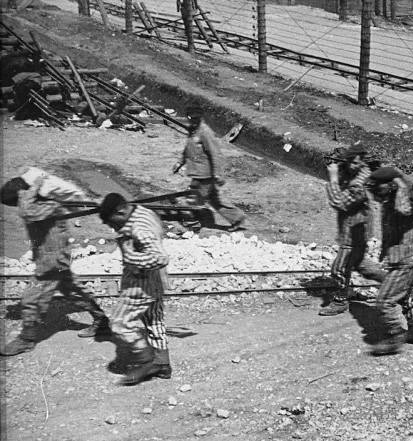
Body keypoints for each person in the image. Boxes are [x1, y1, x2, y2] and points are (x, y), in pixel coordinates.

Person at [0, 167, 110, 357]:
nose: (18, 202)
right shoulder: (38, 204)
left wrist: (33, 186)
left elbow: (28, 213)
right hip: (52, 259)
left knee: (30, 299)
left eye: (18, 198)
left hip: (51, 263)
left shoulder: (49, 206)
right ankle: (102, 321)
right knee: (76, 292)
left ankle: (26, 339)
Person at [99, 193, 172, 386]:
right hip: (155, 280)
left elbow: (160, 258)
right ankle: (163, 364)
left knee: (119, 323)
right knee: (154, 320)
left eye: (112, 222)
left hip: (140, 284)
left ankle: (146, 360)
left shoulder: (139, 229)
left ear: (121, 212)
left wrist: (131, 258)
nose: (112, 227)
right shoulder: (142, 211)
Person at [319, 142, 385, 316]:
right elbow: (346, 169)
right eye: (350, 162)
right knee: (360, 264)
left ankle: (341, 301)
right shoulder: (355, 171)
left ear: (362, 162)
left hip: (355, 232)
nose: (352, 166)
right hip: (355, 228)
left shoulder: (360, 184)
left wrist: (333, 178)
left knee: (339, 268)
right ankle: (393, 284)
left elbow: (339, 202)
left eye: (356, 163)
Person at [365, 167, 413, 355]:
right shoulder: (389, 200)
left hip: (405, 258)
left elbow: (404, 210)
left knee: (384, 300)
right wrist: (384, 253)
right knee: (407, 297)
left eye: (379, 185)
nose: (375, 189)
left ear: (391, 185)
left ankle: (396, 336)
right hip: (401, 256)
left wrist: (400, 181)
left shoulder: (403, 198)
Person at [171, 105, 246, 233]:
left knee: (193, 200)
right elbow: (188, 148)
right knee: (214, 200)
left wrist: (218, 173)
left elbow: (215, 153)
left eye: (196, 118)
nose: (193, 120)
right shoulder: (193, 130)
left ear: (200, 117)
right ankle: (237, 217)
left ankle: (190, 226)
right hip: (197, 173)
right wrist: (180, 163)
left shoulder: (205, 132)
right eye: (191, 118)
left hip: (204, 175)